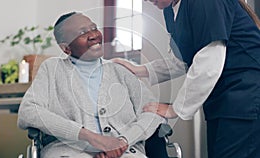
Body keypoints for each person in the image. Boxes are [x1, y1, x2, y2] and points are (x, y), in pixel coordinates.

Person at [113, 0, 260, 158]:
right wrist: (139, 70)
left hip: (245, 96)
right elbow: (183, 60)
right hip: (224, 102)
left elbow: (209, 61)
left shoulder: (204, 3)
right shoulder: (171, 10)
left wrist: (175, 109)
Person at [17, 12, 166, 158]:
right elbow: (29, 111)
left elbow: (154, 112)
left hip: (124, 152)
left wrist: (124, 141)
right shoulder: (52, 69)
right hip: (68, 151)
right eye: (82, 32)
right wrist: (90, 137)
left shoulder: (120, 71)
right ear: (66, 48)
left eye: (94, 28)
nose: (93, 35)